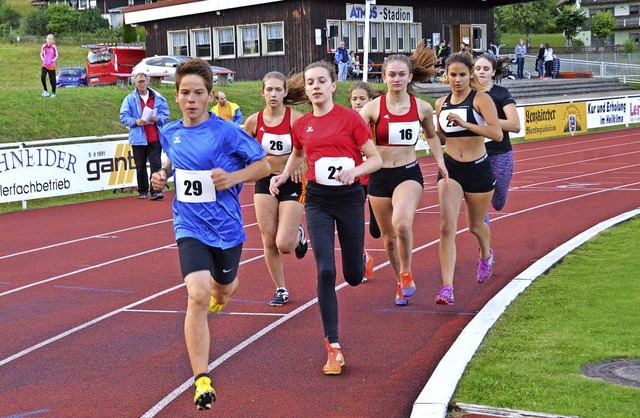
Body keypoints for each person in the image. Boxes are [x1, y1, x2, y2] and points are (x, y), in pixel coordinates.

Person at [150, 58, 270, 409]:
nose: (191, 99)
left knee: (223, 289)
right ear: (176, 96)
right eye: (185, 93)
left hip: (227, 229)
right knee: (198, 294)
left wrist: (232, 179)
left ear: (208, 96)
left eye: (198, 93)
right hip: (189, 225)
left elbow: (263, 164)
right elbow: (171, 164)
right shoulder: (170, 132)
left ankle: (224, 291)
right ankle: (202, 378)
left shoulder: (227, 131)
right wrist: (162, 177)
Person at [270, 61, 382, 375]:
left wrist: (355, 172)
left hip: (349, 199)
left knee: (353, 277)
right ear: (305, 89)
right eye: (310, 82)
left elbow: (375, 159)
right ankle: (333, 346)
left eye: (322, 81)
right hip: (317, 199)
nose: (316, 86)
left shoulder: (352, 120)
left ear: (333, 85)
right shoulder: (302, 125)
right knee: (325, 271)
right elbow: (298, 153)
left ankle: (360, 258)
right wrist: (283, 176)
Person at [359, 43, 447, 306]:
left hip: (408, 174)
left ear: (410, 76)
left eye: (401, 74)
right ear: (383, 77)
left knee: (402, 223)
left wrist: (440, 162)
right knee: (387, 238)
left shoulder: (421, 108)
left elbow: (431, 136)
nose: (396, 79)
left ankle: (407, 271)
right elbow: (353, 136)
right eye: (391, 74)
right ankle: (399, 281)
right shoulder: (372, 108)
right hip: (379, 177)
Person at [433, 52, 503, 306]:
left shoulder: (481, 99)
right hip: (451, 170)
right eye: (453, 75)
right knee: (446, 227)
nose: (458, 79)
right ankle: (447, 288)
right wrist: (429, 132)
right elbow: (443, 137)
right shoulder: (441, 103)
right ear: (446, 76)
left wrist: (466, 123)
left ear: (471, 74)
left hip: (478, 169)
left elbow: (495, 133)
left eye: (463, 74)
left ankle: (486, 254)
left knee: (475, 225)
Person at [243, 71, 308, 307]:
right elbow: (241, 148)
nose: (273, 94)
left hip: (291, 180)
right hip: (264, 181)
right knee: (268, 240)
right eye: (269, 89)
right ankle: (281, 288)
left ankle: (298, 235)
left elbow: (311, 146)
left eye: (278, 89)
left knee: (284, 244)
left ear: (285, 92)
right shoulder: (254, 121)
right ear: (262, 92)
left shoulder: (296, 119)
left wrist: (299, 162)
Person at [473, 54, 521, 227]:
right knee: (479, 201)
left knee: (498, 202)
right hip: (475, 155)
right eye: (477, 68)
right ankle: (484, 249)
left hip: (499, 153)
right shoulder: (466, 94)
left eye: (486, 69)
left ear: (493, 72)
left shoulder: (501, 94)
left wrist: (488, 119)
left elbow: (515, 125)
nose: (481, 72)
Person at [348, 81, 385, 281]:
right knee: (355, 223)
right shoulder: (346, 121)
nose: (358, 102)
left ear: (370, 101)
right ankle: (360, 260)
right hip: (356, 180)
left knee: (376, 230)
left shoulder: (376, 121)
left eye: (362, 98)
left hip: (378, 177)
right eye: (354, 99)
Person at [119, 72, 170, 200]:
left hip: (154, 137)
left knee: (156, 164)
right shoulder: (130, 99)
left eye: (143, 81)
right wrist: (135, 121)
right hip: (138, 138)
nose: (142, 84)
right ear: (135, 83)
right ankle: (142, 190)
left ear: (147, 81)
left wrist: (157, 118)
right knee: (140, 165)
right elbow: (123, 117)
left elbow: (166, 115)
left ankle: (156, 191)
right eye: (139, 82)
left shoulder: (158, 97)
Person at [40, 34, 58, 98]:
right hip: (45, 65)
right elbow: (41, 54)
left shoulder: (54, 47)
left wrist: (51, 61)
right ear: (46, 39)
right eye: (48, 38)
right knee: (42, 77)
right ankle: (45, 91)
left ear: (52, 40)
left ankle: (53, 93)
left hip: (51, 66)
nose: (49, 40)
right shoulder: (44, 46)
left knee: (52, 80)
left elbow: (56, 55)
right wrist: (43, 60)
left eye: (51, 39)